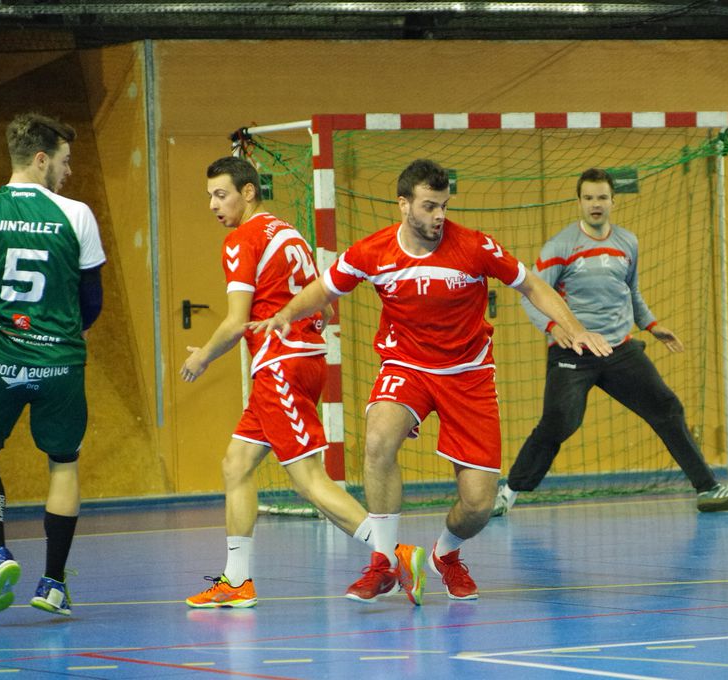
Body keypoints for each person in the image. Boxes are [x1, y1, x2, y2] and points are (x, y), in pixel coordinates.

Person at [251, 159, 612, 602]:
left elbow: (533, 285)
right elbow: (325, 288)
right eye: (428, 206)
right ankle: (383, 562)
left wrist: (574, 327)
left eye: (443, 206)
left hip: (468, 374)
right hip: (406, 365)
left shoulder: (475, 247)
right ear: (403, 205)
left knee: (479, 504)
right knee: (379, 438)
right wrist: (287, 313)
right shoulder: (373, 252)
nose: (439, 216)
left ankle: (446, 554)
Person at [181, 157, 425, 608]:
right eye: (209, 197)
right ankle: (237, 580)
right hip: (303, 362)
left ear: (249, 191)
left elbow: (237, 323)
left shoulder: (242, 240)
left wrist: (203, 358)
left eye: (222, 194)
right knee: (236, 464)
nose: (214, 205)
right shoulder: (288, 233)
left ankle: (393, 553)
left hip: (281, 368)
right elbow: (326, 307)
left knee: (309, 481)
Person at [493, 168, 728, 517]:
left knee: (667, 407)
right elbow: (531, 294)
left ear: (613, 201)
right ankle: (507, 494)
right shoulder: (560, 246)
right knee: (559, 421)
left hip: (619, 349)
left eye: (602, 197)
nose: (595, 204)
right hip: (574, 350)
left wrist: (651, 325)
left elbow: (630, 291)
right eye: (588, 198)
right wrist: (552, 328)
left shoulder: (627, 243)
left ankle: (708, 490)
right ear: (579, 203)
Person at [0, 112, 106, 616]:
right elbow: (92, 302)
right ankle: (53, 583)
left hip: (0, 358)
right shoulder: (76, 214)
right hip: (60, 362)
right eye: (63, 161)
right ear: (41, 159)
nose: (68, 171)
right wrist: (64, 333)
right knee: (62, 462)